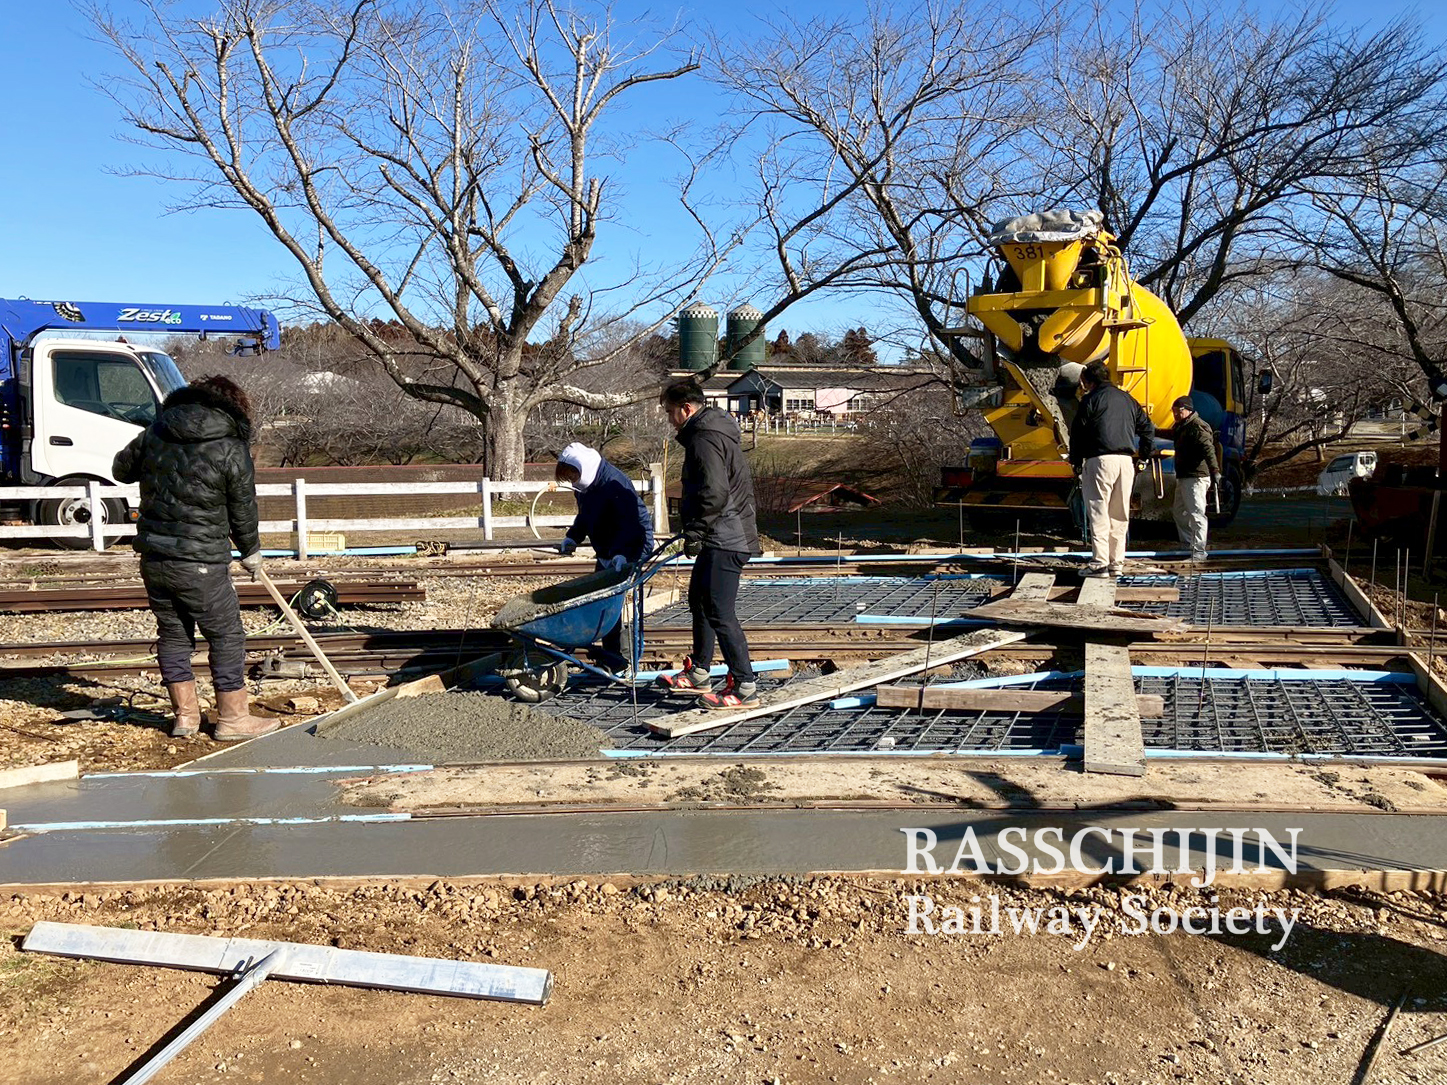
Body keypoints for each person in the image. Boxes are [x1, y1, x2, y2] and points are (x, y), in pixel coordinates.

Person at [113, 375, 276, 741]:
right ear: (231, 407)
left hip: (154, 557)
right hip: (201, 560)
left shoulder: (156, 432)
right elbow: (242, 507)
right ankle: (233, 720)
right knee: (226, 635)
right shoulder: (230, 446)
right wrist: (251, 551)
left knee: (173, 633)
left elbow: (119, 470)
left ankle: (185, 718)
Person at [654, 378, 761, 708]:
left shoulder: (703, 438)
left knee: (718, 611)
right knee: (699, 600)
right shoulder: (711, 431)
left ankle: (744, 687)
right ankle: (699, 671)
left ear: (686, 409)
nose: (670, 419)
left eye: (671, 412)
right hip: (722, 532)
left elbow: (714, 492)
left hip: (726, 536)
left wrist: (696, 531)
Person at [554, 442, 654, 662]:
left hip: (631, 546)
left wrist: (623, 555)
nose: (572, 480)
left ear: (582, 468)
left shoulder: (614, 483)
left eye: (572, 475)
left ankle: (620, 657)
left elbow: (630, 523)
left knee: (611, 604)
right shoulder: (586, 486)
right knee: (604, 604)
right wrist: (573, 537)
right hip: (608, 550)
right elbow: (586, 516)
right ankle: (612, 654)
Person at [1068, 361, 1155, 578]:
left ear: (1087, 381)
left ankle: (1099, 564)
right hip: (1126, 462)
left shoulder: (1090, 399)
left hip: (1100, 461)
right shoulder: (1127, 399)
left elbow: (1077, 433)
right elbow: (1148, 427)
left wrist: (1076, 461)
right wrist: (1144, 455)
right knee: (1120, 514)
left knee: (1099, 512)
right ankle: (1117, 563)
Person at [1169, 396, 1220, 562]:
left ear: (1188, 410)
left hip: (1196, 477)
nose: (1176, 415)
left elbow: (1208, 449)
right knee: (1178, 512)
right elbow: (1169, 434)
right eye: (1174, 412)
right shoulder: (1182, 426)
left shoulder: (1198, 427)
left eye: (1179, 411)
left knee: (1197, 514)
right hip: (1184, 476)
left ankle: (1199, 551)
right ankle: (1187, 544)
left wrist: (1215, 470)